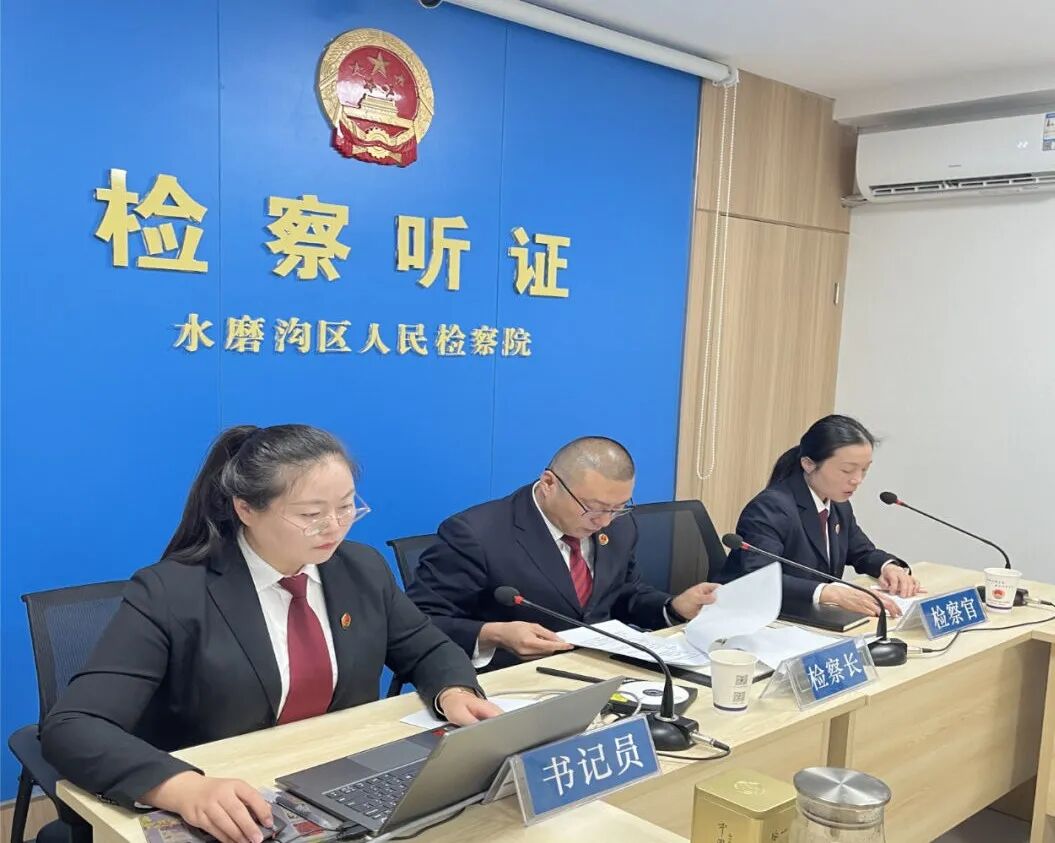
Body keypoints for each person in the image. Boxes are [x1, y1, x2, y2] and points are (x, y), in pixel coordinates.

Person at [41, 425, 500, 843]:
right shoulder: (171, 592)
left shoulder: (360, 568)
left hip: (338, 782)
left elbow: (427, 648)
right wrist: (182, 787)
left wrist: (453, 691)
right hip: (231, 798)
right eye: (311, 513)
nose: (334, 527)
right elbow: (73, 726)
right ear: (246, 509)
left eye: (346, 506)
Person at [406, 436, 720, 671]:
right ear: (549, 483)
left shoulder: (620, 526)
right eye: (593, 508)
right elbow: (419, 622)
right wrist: (493, 634)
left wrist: (672, 607)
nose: (604, 522)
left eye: (618, 508)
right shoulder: (475, 534)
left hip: (602, 671)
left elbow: (624, 594)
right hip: (513, 679)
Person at [722, 415, 921, 616]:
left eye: (864, 470)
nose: (857, 480)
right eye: (847, 470)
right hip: (753, 615)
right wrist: (828, 592)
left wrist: (888, 567)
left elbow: (861, 552)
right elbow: (758, 577)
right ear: (808, 464)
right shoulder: (771, 507)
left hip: (809, 616)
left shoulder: (838, 505)